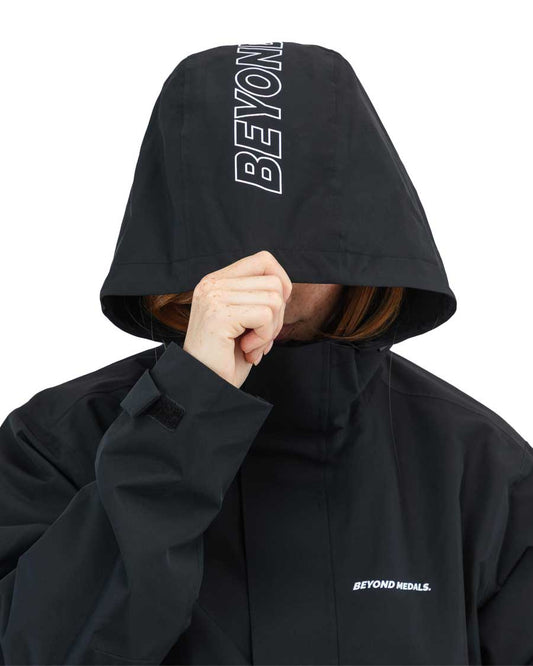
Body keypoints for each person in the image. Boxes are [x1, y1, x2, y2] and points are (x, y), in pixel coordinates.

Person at [0, 41, 531, 666]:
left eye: (297, 231)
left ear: (363, 226)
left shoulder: (480, 470)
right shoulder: (53, 445)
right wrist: (183, 411)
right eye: (230, 229)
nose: (262, 266)